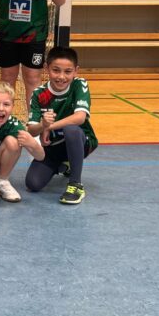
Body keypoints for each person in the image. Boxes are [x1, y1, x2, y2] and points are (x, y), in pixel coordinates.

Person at [25, 46, 98, 204]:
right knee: (33, 183)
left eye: (68, 71)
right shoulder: (39, 93)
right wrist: (42, 125)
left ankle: (76, 184)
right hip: (53, 148)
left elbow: (80, 117)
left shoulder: (79, 84)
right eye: (56, 70)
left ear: (76, 71)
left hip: (82, 141)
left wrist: (49, 127)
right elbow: (31, 130)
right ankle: (64, 165)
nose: (61, 77)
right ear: (46, 68)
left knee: (71, 130)